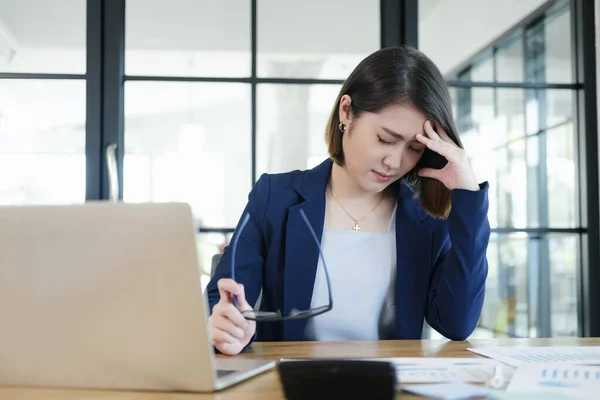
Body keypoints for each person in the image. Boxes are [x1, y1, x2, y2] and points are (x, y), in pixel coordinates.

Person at [206, 45, 490, 356]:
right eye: (386, 139)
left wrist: (468, 195)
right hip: (291, 383)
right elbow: (221, 302)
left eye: (414, 148)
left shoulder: (426, 218)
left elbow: (457, 324)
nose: (394, 162)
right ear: (346, 112)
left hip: (390, 386)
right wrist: (226, 325)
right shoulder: (274, 198)